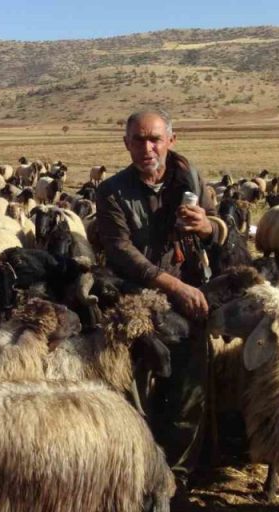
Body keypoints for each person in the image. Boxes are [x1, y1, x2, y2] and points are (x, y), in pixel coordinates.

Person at [94, 109, 220, 476]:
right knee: (130, 388)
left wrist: (207, 227)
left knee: (188, 386)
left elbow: (222, 231)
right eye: (138, 140)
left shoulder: (192, 183)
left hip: (187, 296)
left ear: (170, 140)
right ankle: (135, 467)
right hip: (133, 297)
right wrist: (175, 286)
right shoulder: (112, 192)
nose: (147, 148)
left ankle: (176, 475)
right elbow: (120, 250)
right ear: (127, 144)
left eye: (155, 139)